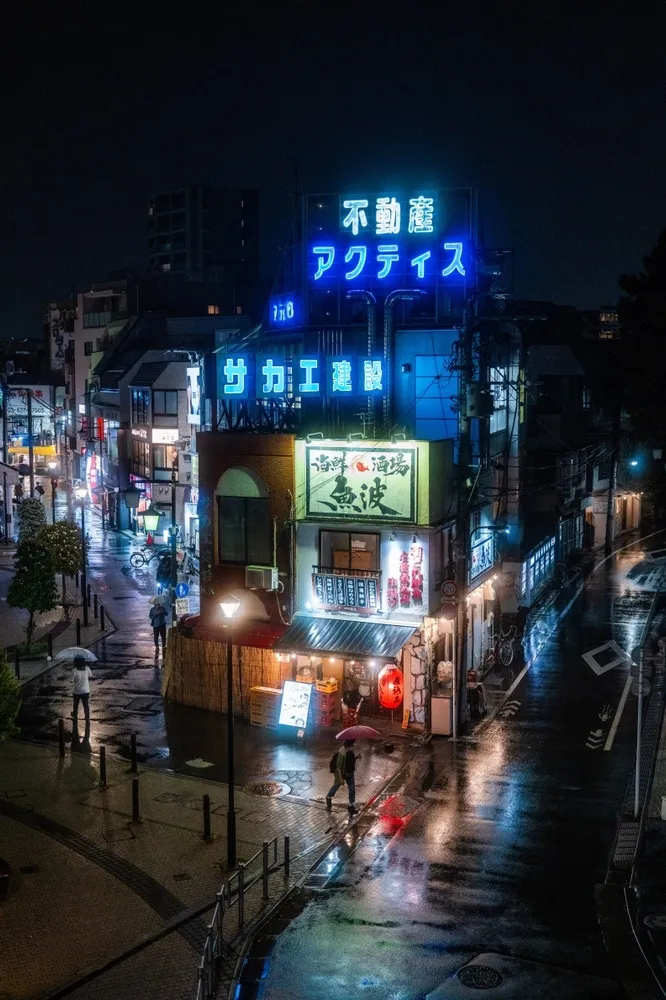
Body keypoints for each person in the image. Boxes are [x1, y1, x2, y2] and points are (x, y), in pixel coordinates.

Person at [326, 739, 359, 814]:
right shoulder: (342, 753)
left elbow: (350, 761)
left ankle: (351, 805)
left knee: (352, 790)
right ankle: (328, 797)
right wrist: (341, 779)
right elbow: (339, 767)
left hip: (350, 774)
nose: (353, 746)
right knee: (335, 787)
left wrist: (357, 757)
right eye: (352, 745)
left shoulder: (351, 751)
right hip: (342, 774)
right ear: (348, 745)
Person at [71, 655, 92, 725]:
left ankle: (75, 717)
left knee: (75, 705)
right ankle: (87, 718)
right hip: (85, 690)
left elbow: (71, 680)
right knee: (86, 705)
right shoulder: (87, 668)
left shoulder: (74, 670)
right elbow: (90, 675)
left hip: (76, 691)